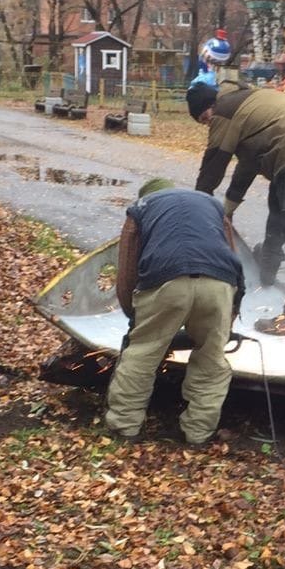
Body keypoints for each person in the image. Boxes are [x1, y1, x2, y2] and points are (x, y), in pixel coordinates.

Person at [187, 79, 285, 336]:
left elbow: (214, 162)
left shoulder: (224, 109)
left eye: (204, 118)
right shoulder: (246, 104)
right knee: (277, 213)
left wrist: (197, 209)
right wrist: (228, 209)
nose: (208, 123)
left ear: (209, 106)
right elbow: (247, 166)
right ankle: (266, 274)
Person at [103, 178, 244, 445]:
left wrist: (134, 317)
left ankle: (125, 428)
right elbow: (232, 258)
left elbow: (127, 271)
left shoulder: (141, 208)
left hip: (165, 281)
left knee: (142, 355)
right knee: (212, 358)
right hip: (219, 284)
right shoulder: (212, 205)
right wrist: (231, 312)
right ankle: (198, 434)